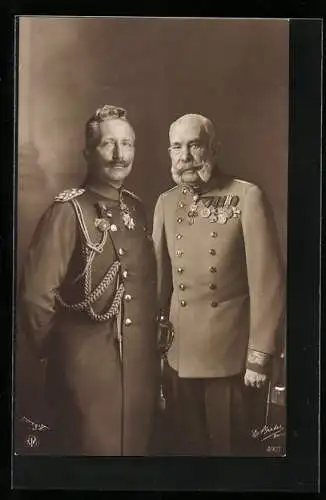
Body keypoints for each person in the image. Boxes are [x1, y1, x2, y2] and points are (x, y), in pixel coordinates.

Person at [17, 104, 159, 456]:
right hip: (85, 378)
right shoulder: (67, 211)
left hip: (138, 377)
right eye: (108, 144)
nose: (119, 154)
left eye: (127, 144)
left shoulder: (136, 209)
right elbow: (36, 297)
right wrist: (62, 358)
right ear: (87, 152)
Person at [152, 113, 285, 456]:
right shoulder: (166, 203)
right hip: (179, 354)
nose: (185, 157)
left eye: (195, 145)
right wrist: (154, 349)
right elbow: (158, 284)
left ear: (214, 148)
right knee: (185, 450)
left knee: (232, 454)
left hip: (231, 358)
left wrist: (260, 356)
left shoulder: (246, 196)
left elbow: (267, 283)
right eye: (177, 147)